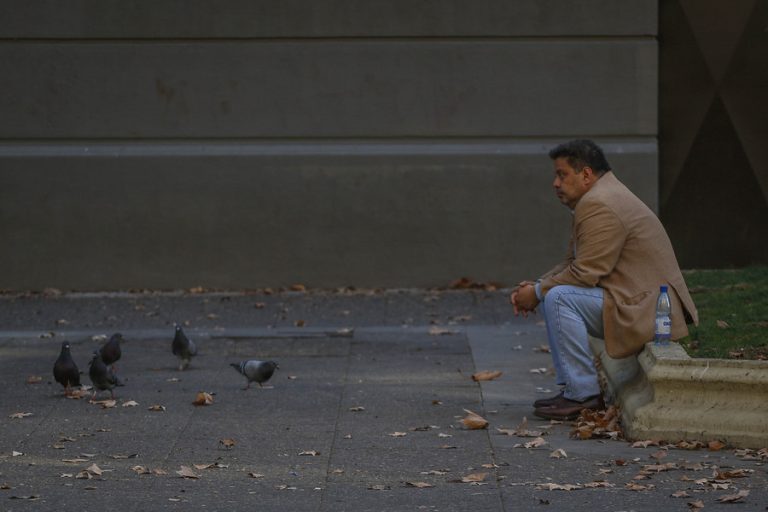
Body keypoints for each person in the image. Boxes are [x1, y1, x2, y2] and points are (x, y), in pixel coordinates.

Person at [511, 140, 698, 420]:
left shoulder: (600, 203)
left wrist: (537, 292)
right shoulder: (600, 197)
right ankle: (575, 391)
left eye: (562, 175)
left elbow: (585, 273)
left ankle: (582, 395)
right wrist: (534, 286)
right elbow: (572, 263)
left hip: (652, 310)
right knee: (555, 293)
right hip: (640, 302)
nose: (555, 183)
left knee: (560, 298)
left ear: (586, 175)